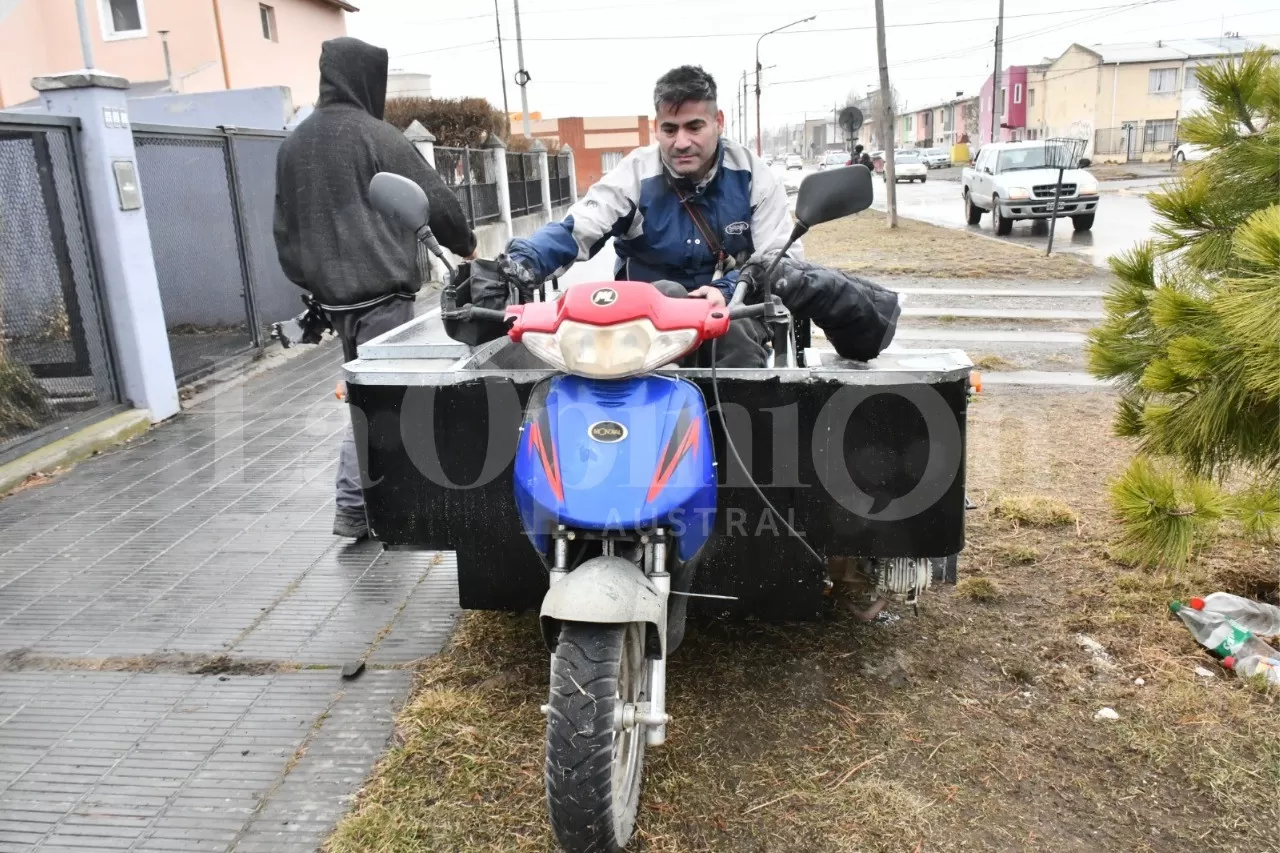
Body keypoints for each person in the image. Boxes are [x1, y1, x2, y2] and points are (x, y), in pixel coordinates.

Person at [274, 36, 478, 540]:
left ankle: (370, 506)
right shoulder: (378, 137)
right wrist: (465, 246)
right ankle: (357, 508)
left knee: (366, 395)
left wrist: (312, 282)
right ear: (369, 80)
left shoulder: (294, 144)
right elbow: (436, 201)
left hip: (331, 299)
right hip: (382, 297)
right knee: (379, 404)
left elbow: (284, 228)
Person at [501, 65, 797, 368]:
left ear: (718, 122)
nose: (681, 142)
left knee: (735, 333)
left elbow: (781, 258)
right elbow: (577, 228)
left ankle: (736, 414)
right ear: (657, 128)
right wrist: (520, 263)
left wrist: (728, 289)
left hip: (732, 316)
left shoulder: (753, 177)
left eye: (694, 127)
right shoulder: (635, 173)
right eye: (670, 129)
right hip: (643, 327)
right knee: (665, 295)